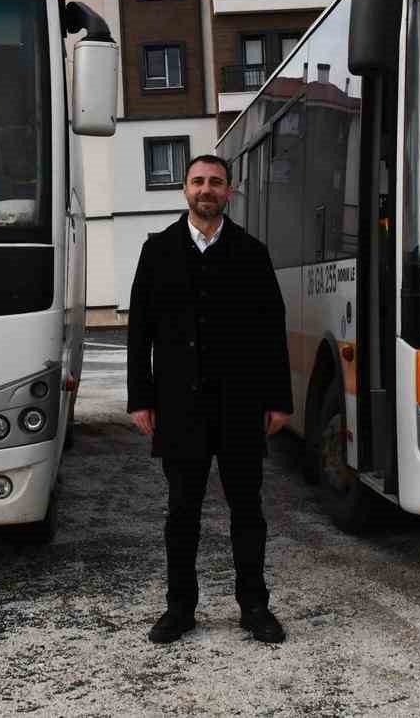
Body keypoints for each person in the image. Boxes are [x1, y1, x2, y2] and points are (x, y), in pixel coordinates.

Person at [127, 153, 292, 644]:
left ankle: (255, 607)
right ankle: (179, 609)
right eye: (198, 181)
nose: (207, 189)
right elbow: (140, 332)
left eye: (216, 182)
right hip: (180, 409)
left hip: (240, 407)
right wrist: (141, 397)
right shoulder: (156, 251)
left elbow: (271, 332)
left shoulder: (252, 252)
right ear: (184, 190)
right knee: (182, 514)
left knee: (248, 513)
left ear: (230, 191)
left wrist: (279, 400)